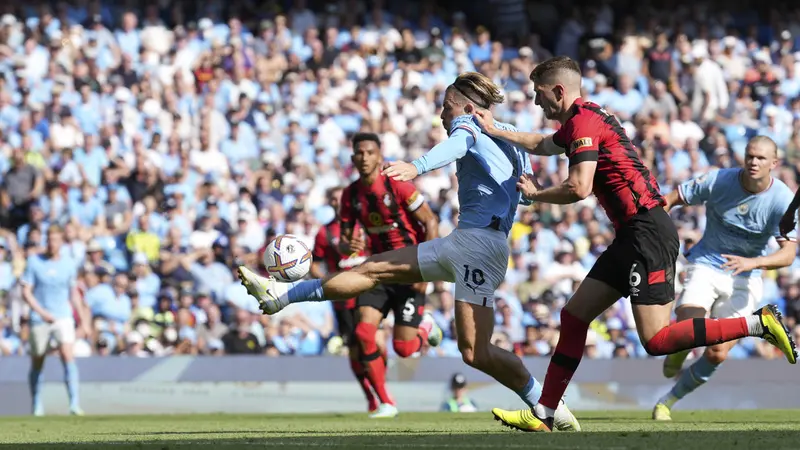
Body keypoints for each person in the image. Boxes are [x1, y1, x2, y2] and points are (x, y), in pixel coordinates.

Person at [238, 72, 581, 431]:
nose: (441, 114)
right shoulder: (508, 132)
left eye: (446, 107)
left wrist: (416, 166)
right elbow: (526, 192)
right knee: (373, 269)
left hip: (478, 246)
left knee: (475, 352)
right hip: (474, 244)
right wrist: (526, 191)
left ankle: (548, 406)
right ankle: (281, 295)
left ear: (466, 106)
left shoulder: (470, 122)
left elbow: (458, 143)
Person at [476, 56, 796, 432]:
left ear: (559, 91)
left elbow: (579, 187)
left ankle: (757, 324)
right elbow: (543, 143)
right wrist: (496, 129)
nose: (535, 102)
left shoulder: (583, 122)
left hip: (647, 233)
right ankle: (546, 412)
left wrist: (536, 194)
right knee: (574, 316)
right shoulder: (584, 116)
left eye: (539, 94)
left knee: (658, 341)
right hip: (632, 234)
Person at [283, 132, 442, 418]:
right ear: (353, 157)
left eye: (370, 152)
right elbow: (344, 241)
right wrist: (348, 245)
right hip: (378, 271)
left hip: (409, 270)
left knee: (404, 349)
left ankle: (425, 329)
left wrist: (426, 269)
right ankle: (385, 402)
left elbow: (430, 222)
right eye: (359, 153)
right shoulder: (351, 195)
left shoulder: (398, 185)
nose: (365, 157)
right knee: (363, 332)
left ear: (379, 155)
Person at [652, 136, 798, 420]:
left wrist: (752, 262)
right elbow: (673, 198)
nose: (753, 162)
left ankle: (667, 402)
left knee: (718, 353)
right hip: (706, 263)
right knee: (689, 327)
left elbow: (788, 254)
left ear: (774, 164)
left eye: (760, 158)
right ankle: (679, 351)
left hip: (745, 276)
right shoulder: (719, 180)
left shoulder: (783, 200)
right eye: (750, 156)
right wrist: (653, 230)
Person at [310, 186, 383, 414]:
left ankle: (382, 389)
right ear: (330, 203)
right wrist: (328, 282)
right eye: (332, 198)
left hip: (370, 291)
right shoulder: (325, 232)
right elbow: (315, 263)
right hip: (343, 300)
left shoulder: (365, 224)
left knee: (376, 342)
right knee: (354, 350)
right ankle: (370, 395)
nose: (337, 201)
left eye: (340, 197)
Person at [21, 225, 91, 416]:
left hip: (62, 316)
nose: (52, 244)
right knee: (38, 360)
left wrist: (84, 321)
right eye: (49, 240)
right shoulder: (35, 262)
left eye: (55, 240)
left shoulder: (69, 264)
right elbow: (26, 292)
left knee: (68, 355)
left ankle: (74, 405)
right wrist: (42, 313)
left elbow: (74, 295)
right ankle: (36, 404)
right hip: (40, 318)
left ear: (61, 242)